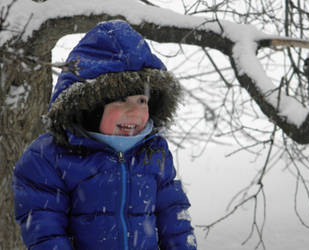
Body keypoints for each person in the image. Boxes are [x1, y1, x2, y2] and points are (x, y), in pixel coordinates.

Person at [12, 20, 197, 250]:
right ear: (91, 107)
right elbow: (45, 233)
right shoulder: (49, 158)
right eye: (121, 99)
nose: (135, 111)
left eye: (142, 100)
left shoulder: (153, 151)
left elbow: (174, 215)